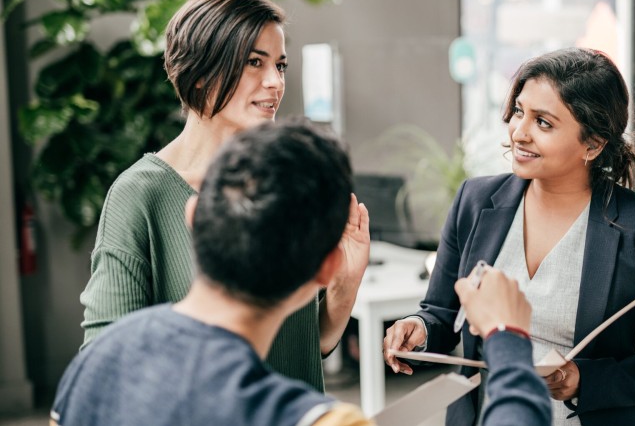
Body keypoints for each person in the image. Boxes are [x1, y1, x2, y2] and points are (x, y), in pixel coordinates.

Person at [50, 121, 552, 426]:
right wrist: (507, 338)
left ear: (194, 217)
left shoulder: (96, 363)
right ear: (327, 265)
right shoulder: (312, 419)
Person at [383, 48, 635, 425]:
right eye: (519, 111)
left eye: (543, 123)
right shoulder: (475, 200)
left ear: (593, 144)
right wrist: (418, 328)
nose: (519, 132)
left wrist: (586, 380)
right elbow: (440, 312)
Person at [77, 0, 369, 392]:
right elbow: (105, 364)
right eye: (255, 62)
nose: (275, 82)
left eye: (280, 65)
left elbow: (302, 346)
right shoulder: (140, 195)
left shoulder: (283, 182)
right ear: (200, 74)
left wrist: (344, 287)